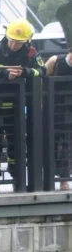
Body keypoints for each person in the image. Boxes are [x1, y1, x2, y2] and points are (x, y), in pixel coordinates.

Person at [0, 18, 45, 194]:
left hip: (16, 106)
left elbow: (42, 71)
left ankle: (17, 178)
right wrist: (3, 73)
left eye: (19, 42)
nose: (14, 45)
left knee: (16, 144)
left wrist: (26, 72)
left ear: (27, 41)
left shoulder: (31, 54)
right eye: (12, 40)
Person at [46, 48, 72, 190]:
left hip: (70, 112)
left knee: (67, 145)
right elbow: (42, 80)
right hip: (54, 110)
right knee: (52, 144)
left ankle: (64, 179)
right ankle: (49, 178)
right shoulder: (55, 61)